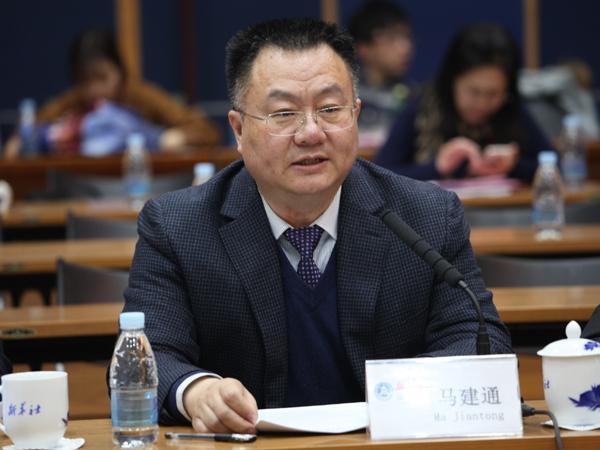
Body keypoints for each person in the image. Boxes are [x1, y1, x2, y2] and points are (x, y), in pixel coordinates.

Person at [122, 18, 512, 433]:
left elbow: (478, 335)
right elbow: (147, 353)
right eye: (284, 113)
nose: (310, 133)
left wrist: (402, 394)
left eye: (329, 109)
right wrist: (197, 391)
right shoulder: (178, 227)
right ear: (238, 129)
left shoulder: (426, 215)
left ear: (355, 114)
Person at [374, 23, 551, 182]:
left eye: (493, 94)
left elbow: (553, 167)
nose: (482, 104)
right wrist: (437, 166)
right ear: (452, 82)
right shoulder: (423, 108)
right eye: (473, 92)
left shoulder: (511, 110)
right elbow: (379, 177)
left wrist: (514, 165)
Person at [4, 30, 220, 158]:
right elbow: (26, 134)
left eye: (101, 77)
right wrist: (21, 139)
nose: (93, 89)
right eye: (84, 80)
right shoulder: (76, 100)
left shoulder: (141, 95)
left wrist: (169, 138)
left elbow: (206, 131)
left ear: (120, 71)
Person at [348, 0, 413, 146]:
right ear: (363, 47)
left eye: (407, 37)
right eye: (391, 38)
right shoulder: (345, 98)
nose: (405, 48)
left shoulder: (414, 99)